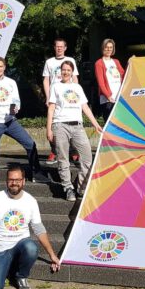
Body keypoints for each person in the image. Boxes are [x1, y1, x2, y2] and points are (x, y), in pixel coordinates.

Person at [0, 166, 60, 289]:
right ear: (6, 181)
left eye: (18, 179)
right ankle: (4, 271)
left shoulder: (30, 201)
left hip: (20, 245)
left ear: (24, 181)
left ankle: (21, 276)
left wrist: (52, 255)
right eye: (11, 180)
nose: (14, 183)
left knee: (31, 248)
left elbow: (39, 230)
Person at [0, 56, 49, 194]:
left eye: (1, 66)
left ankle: (37, 174)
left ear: (4, 67)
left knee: (30, 144)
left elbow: (16, 101)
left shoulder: (11, 82)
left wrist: (16, 108)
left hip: (10, 122)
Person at [47, 60, 103, 201]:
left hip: (78, 126)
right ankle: (68, 188)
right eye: (63, 70)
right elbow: (51, 108)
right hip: (60, 125)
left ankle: (81, 187)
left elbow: (85, 107)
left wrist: (95, 124)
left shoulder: (77, 87)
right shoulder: (56, 86)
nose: (66, 72)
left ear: (72, 72)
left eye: (68, 70)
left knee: (87, 157)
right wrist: (49, 129)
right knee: (63, 158)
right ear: (61, 71)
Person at [42, 38, 79, 165]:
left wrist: (76, 96)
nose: (59, 48)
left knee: (72, 122)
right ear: (54, 47)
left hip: (68, 98)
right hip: (54, 97)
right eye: (57, 46)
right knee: (53, 124)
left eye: (61, 46)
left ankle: (73, 151)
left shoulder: (71, 61)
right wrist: (47, 97)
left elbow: (75, 79)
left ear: (65, 48)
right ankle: (54, 150)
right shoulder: (49, 62)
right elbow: (46, 80)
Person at [94, 38, 125, 122]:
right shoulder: (99, 63)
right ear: (103, 48)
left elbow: (124, 74)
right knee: (110, 123)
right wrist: (108, 96)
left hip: (118, 96)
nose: (109, 49)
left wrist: (130, 63)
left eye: (111, 47)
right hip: (108, 99)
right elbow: (101, 83)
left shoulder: (116, 61)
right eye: (106, 47)